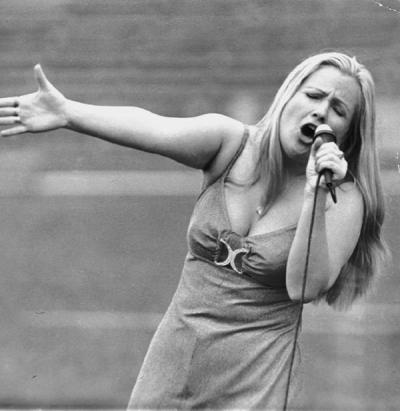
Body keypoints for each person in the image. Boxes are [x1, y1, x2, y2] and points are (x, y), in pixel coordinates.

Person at [0, 52, 386, 410]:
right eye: (314, 95)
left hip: (255, 381)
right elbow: (152, 126)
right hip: (173, 362)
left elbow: (304, 287)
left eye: (338, 109)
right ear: (289, 95)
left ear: (347, 135)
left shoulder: (343, 198)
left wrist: (315, 194)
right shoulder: (229, 143)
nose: (321, 111)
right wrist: (67, 112)